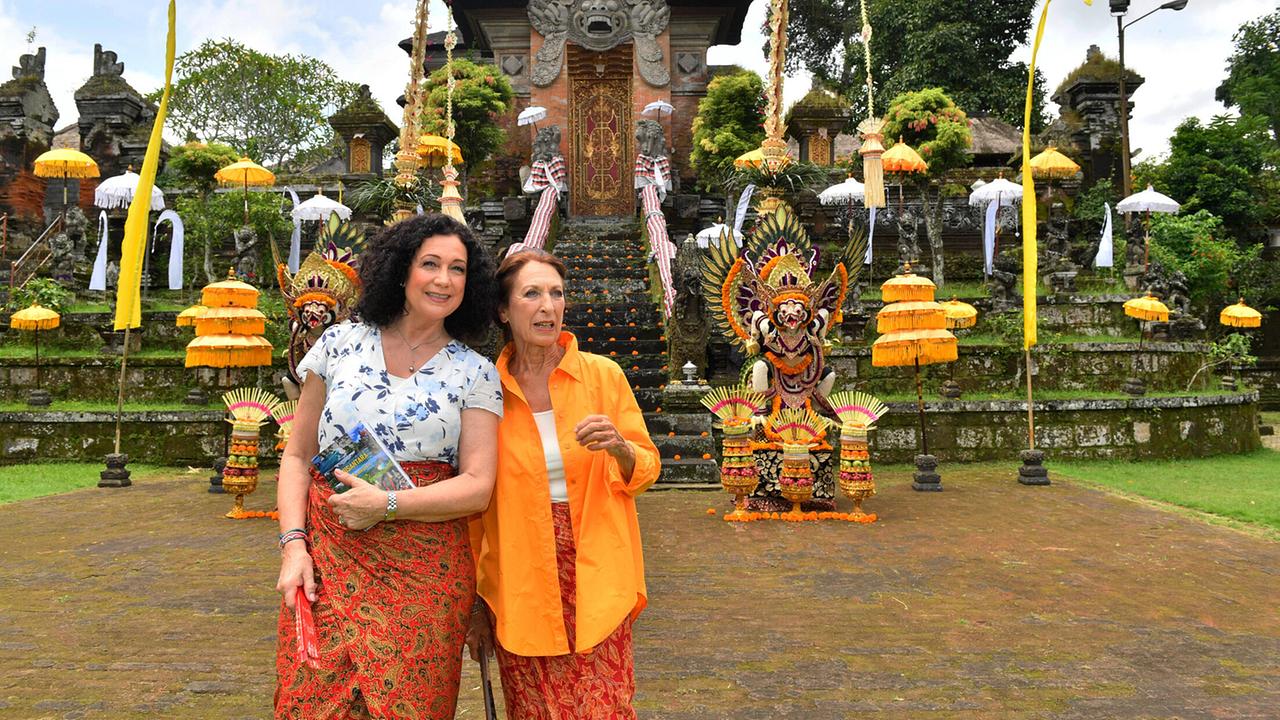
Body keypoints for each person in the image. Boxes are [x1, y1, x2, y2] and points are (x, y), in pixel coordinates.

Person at [273, 213, 502, 719]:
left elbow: (478, 487)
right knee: (313, 701)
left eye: (458, 269)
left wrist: (389, 504)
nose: (444, 279)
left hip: (425, 573)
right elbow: (296, 455)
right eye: (431, 264)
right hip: (330, 559)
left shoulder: (474, 372)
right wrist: (293, 547)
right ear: (402, 270)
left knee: (410, 706)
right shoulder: (338, 345)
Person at [466, 248, 661, 719]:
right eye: (531, 294)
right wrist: (475, 604)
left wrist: (620, 447)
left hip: (596, 569)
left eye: (556, 294)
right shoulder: (483, 391)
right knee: (534, 710)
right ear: (503, 309)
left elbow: (647, 467)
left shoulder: (602, 377)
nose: (547, 306)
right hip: (521, 579)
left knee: (605, 706)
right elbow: (474, 508)